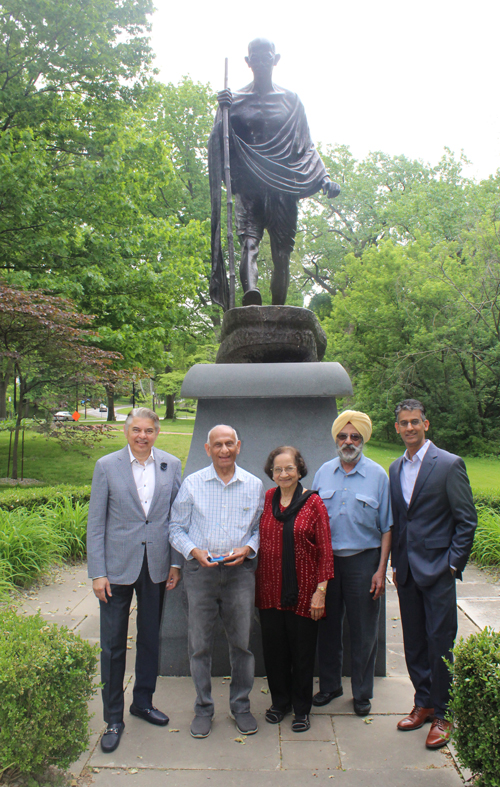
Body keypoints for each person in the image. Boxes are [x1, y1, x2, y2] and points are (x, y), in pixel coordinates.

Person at [209, 37, 340, 309]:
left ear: (275, 59)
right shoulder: (235, 101)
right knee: (249, 243)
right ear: (248, 62)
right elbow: (220, 142)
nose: (260, 62)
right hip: (248, 184)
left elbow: (306, 145)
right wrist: (221, 113)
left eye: (266, 57)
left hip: (283, 186)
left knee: (282, 253)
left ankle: (279, 312)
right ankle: (251, 298)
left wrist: (324, 177)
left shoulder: (291, 102)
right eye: (255, 58)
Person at [87, 407, 182, 753]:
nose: (143, 436)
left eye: (149, 430)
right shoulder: (107, 466)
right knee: (112, 644)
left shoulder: (170, 464)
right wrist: (97, 572)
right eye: (136, 430)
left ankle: (142, 701)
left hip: (156, 566)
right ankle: (113, 716)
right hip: (115, 568)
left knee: (150, 639)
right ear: (127, 432)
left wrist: (175, 563)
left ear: (157, 433)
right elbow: (95, 523)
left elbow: (176, 518)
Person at [390, 399, 477, 748]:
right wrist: (397, 564)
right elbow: (401, 522)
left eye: (415, 422)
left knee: (441, 643)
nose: (409, 427)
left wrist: (452, 565)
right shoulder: (395, 468)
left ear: (426, 424)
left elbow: (466, 520)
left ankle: (444, 712)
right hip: (408, 572)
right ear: (396, 428)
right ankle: (423, 702)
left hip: (439, 570)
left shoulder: (449, 464)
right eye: (403, 423)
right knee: (414, 643)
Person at [169, 424, 265, 739]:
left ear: (238, 446)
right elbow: (175, 528)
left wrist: (250, 548)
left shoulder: (253, 485)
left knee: (242, 643)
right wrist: (193, 551)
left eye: (229, 444)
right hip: (200, 572)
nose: (224, 450)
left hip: (239, 573)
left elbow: (259, 529)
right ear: (208, 449)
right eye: (217, 445)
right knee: (199, 645)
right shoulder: (193, 484)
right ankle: (203, 709)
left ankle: (240, 706)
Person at [312, 410, 392, 716]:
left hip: (364, 562)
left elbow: (387, 527)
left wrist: (381, 570)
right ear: (336, 439)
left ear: (363, 440)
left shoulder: (377, 475)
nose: (348, 442)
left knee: (364, 631)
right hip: (328, 563)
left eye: (355, 436)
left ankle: (362, 692)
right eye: (343, 436)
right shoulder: (323, 473)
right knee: (327, 628)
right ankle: (330, 685)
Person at [256, 446, 334, 732]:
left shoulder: (314, 503)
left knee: (302, 653)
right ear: (271, 473)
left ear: (299, 469)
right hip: (269, 591)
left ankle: (301, 709)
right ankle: (280, 703)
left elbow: (326, 551)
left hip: (304, 593)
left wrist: (320, 591)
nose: (284, 473)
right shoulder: (267, 499)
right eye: (278, 469)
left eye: (289, 468)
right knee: (274, 652)